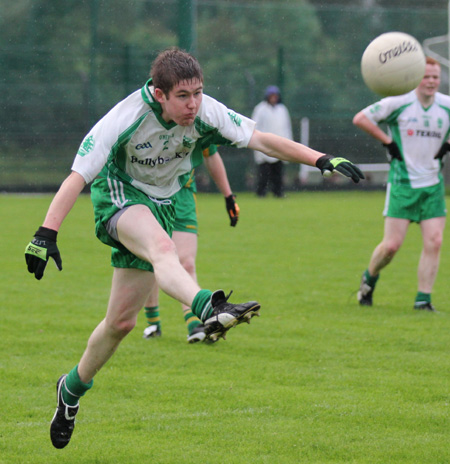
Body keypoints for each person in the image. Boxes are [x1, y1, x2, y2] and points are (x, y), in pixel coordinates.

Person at [24, 47, 363, 449]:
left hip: (164, 203)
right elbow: (77, 177)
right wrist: (46, 232)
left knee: (120, 325)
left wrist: (320, 159)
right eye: (183, 96)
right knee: (164, 249)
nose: (193, 104)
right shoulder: (125, 118)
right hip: (120, 197)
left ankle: (71, 390)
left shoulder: (206, 112)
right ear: (159, 93)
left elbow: (262, 141)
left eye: (198, 93)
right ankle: (209, 307)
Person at [354, 57, 449, 312]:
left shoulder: (446, 106)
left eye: (435, 77)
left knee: (435, 241)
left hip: (433, 185)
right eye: (426, 77)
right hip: (402, 184)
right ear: (415, 77)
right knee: (391, 247)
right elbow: (360, 118)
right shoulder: (398, 102)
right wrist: (387, 141)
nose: (431, 82)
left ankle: (423, 300)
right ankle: (369, 278)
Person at [142, 144, 240, 343]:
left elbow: (211, 155)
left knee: (186, 262)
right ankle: (153, 321)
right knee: (151, 260)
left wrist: (228, 196)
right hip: (148, 192)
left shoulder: (197, 120)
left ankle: (194, 323)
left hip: (183, 196)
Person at [252, 85, 293, 198]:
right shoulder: (260, 109)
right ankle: (261, 192)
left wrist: (289, 143)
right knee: (264, 172)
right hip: (264, 144)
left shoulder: (282, 110)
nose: (273, 98)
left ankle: (278, 192)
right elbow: (254, 126)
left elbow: (286, 127)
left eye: (275, 96)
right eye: (271, 96)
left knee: (278, 171)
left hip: (280, 144)